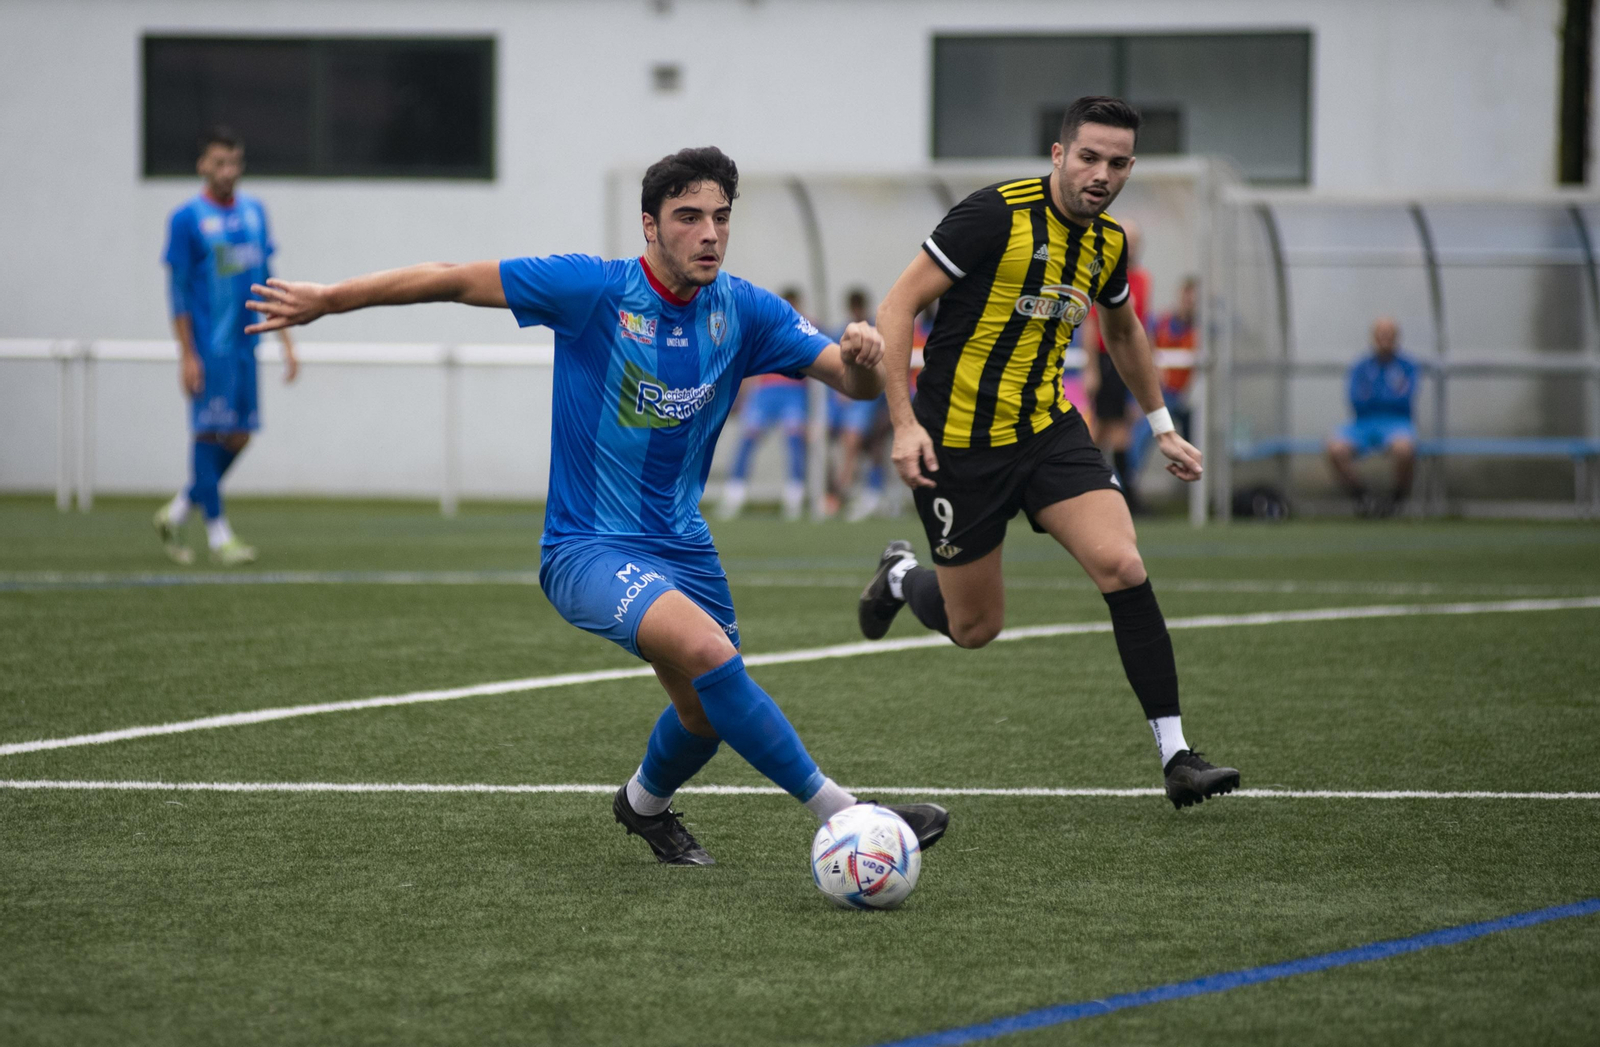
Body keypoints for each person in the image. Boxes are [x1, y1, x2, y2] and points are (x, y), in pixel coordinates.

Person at [244, 146, 948, 865]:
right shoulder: (591, 290)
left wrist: (864, 362)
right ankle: (849, 814)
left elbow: (848, 383)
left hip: (684, 543)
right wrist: (330, 300)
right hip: (587, 547)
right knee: (712, 656)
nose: (709, 233)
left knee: (705, 715)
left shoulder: (743, 309)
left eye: (720, 218)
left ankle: (642, 805)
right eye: (688, 217)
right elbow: (452, 279)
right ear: (649, 226)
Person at [857, 97, 1239, 810]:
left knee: (1123, 562)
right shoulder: (993, 215)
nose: (1102, 173)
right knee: (975, 627)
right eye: (1089, 156)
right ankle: (902, 574)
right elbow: (896, 305)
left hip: (1048, 433)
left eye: (1118, 162)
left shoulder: (1107, 243)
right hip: (958, 446)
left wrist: (1160, 424)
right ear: (1059, 155)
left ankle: (1177, 754)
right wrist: (903, 423)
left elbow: (1122, 333)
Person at [153, 126, 298, 566]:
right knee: (207, 431)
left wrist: (287, 340)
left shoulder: (256, 213)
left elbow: (268, 277)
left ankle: (178, 509)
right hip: (209, 349)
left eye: (235, 162)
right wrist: (187, 354)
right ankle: (219, 536)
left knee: (240, 434)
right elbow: (177, 291)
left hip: (245, 346)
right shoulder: (187, 219)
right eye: (219, 162)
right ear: (202, 165)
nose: (228, 171)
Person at [718, 286, 810, 520]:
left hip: (793, 392)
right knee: (747, 441)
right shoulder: (767, 328)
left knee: (794, 442)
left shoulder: (807, 328)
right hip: (766, 392)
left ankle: (794, 496)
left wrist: (814, 411)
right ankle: (735, 493)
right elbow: (750, 364)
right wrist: (742, 397)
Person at [1080, 218, 1150, 509]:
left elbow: (1141, 326)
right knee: (1109, 428)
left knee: (1117, 428)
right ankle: (1116, 494)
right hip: (1106, 359)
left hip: (1127, 359)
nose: (1130, 248)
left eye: (1135, 243)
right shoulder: (1102, 272)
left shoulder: (1143, 280)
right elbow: (1091, 323)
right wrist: (1092, 368)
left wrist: (1148, 364)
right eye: (1127, 241)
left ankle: (1107, 492)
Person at [1326, 316, 1419, 516]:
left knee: (1404, 450)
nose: (1384, 339)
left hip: (1396, 422)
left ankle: (1396, 501)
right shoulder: (1361, 366)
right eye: (1380, 335)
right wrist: (1386, 396)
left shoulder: (1407, 366)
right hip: (1364, 423)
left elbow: (1404, 399)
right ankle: (1362, 498)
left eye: (1389, 335)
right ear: (1373, 338)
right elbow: (1356, 400)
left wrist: (1375, 395)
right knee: (1335, 448)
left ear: (1396, 338)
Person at [1127, 275, 1199, 479]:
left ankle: (1199, 485)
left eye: (1195, 299)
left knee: (1191, 435)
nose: (1190, 303)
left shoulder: (1201, 331)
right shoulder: (1161, 323)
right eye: (1188, 297)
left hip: (1181, 399)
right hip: (1158, 395)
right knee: (1140, 433)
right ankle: (1127, 482)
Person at [828, 287, 890, 521]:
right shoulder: (840, 333)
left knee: (857, 439)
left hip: (869, 399)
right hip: (842, 398)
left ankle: (843, 491)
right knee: (816, 434)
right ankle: (833, 488)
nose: (856, 311)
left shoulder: (876, 333)